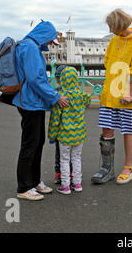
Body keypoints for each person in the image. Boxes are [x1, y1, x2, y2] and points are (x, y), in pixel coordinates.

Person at [14, 21, 69, 201]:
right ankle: (23, 187)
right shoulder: (30, 48)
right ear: (44, 35)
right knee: (30, 144)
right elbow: (35, 79)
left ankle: (34, 181)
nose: (50, 45)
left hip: (33, 102)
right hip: (30, 102)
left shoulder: (30, 45)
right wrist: (55, 97)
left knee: (37, 143)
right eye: (50, 40)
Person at [91, 9, 132, 185]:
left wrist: (130, 92)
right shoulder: (114, 40)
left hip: (127, 94)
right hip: (111, 92)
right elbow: (108, 64)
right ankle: (107, 168)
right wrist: (107, 88)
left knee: (128, 130)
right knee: (106, 129)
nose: (110, 29)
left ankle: (128, 167)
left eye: (111, 26)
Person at [48, 66, 91, 195]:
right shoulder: (81, 96)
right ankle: (77, 184)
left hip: (65, 135)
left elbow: (55, 120)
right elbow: (88, 101)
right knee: (77, 158)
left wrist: (51, 135)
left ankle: (65, 186)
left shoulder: (61, 98)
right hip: (79, 135)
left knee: (64, 160)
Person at [52, 65, 73, 185]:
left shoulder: (57, 93)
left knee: (59, 153)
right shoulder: (76, 93)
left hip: (60, 129)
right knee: (73, 153)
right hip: (74, 129)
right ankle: (72, 174)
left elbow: (54, 114)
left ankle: (59, 174)